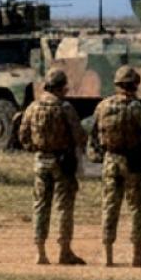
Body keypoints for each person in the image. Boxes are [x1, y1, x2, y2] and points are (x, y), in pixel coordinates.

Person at [91, 65, 141, 268]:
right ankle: (137, 253)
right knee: (136, 207)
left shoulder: (103, 106)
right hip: (133, 162)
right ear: (134, 85)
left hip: (110, 160)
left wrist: (100, 154)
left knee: (110, 205)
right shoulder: (136, 108)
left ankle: (107, 254)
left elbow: (93, 134)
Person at [20, 69, 87, 266]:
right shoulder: (65, 108)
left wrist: (36, 148)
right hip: (62, 162)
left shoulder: (33, 107)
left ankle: (40, 252)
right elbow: (79, 136)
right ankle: (64, 251)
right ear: (60, 87)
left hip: (41, 161)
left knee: (41, 205)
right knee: (64, 207)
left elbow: (23, 135)